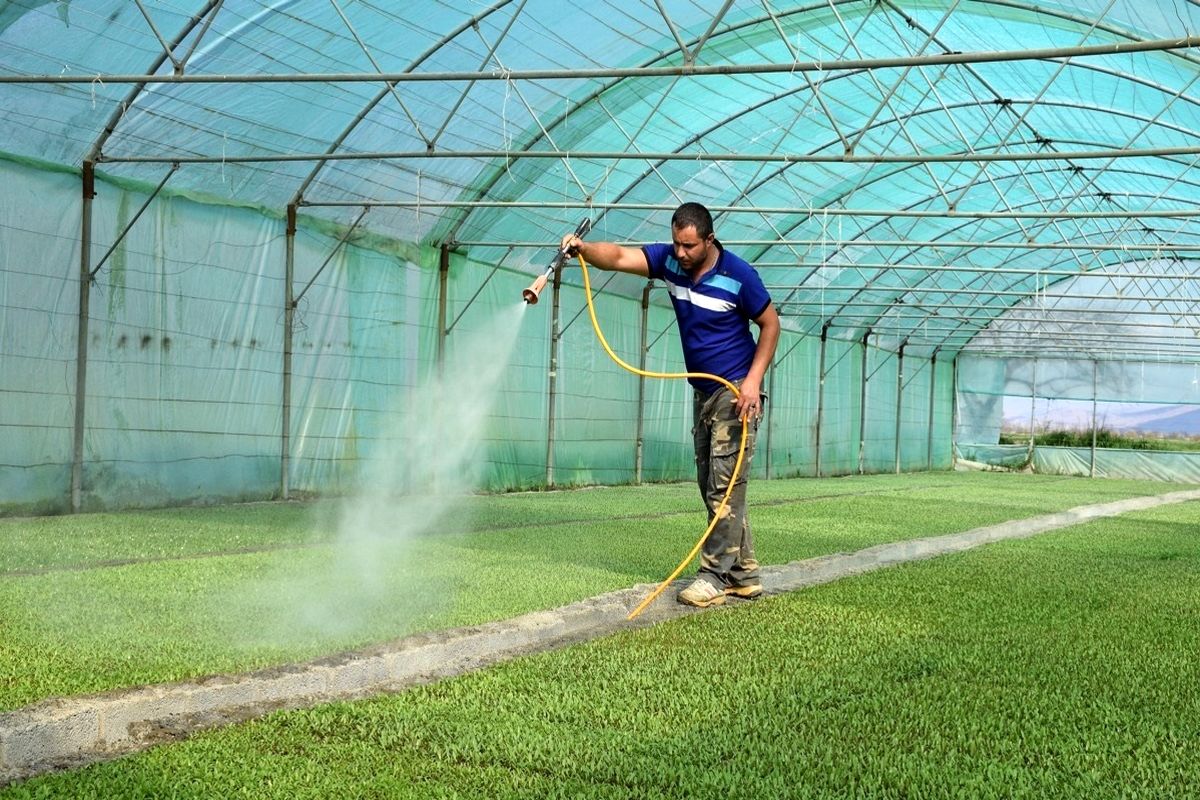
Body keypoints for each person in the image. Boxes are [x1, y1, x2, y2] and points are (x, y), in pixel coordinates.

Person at [561, 202, 780, 608]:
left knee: (723, 487)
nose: (680, 253)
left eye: (689, 246)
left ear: (709, 240)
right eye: (677, 243)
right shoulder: (670, 262)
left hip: (735, 395)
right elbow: (622, 257)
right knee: (715, 486)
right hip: (704, 392)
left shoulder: (739, 275)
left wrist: (752, 382)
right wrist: (584, 249)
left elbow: (771, 324)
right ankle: (744, 573)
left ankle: (713, 577)